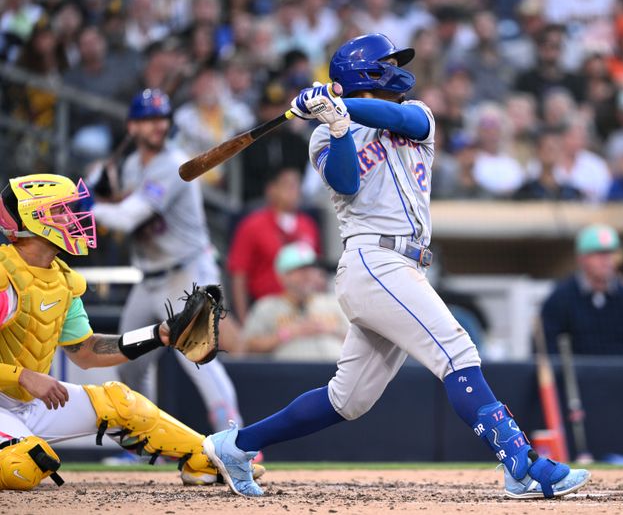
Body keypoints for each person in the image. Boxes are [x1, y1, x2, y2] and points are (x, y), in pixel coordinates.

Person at [203, 33, 590, 499]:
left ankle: (237, 445)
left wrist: (338, 105)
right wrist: (338, 124)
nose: (396, 68)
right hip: (372, 261)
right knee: (457, 351)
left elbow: (395, 116)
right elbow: (345, 182)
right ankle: (521, 464)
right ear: (364, 72)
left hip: (402, 266)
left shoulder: (418, 115)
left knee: (347, 400)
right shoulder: (323, 136)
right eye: (386, 62)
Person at [0, 173, 240, 489]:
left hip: (31, 404)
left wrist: (157, 335)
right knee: (24, 466)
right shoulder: (5, 275)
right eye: (62, 210)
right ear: (34, 216)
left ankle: (207, 458)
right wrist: (22, 376)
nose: (74, 218)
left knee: (121, 402)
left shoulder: (63, 280)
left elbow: (86, 352)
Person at [90, 89, 243, 434]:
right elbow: (126, 201)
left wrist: (89, 205)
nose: (157, 125)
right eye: (148, 119)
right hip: (150, 279)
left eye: (162, 118)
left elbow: (129, 218)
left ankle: (236, 439)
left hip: (187, 273)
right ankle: (144, 442)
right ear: (132, 127)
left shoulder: (175, 164)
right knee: (127, 362)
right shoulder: (130, 165)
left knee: (198, 359)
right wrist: (105, 189)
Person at [540, 224, 623, 356]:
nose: (607, 260)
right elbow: (546, 349)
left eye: (611, 254)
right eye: (599, 254)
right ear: (582, 258)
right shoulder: (562, 297)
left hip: (620, 374)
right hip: (576, 374)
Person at [227, 167, 321, 322]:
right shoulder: (251, 225)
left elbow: (317, 269)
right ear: (271, 190)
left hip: (307, 306)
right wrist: (244, 322)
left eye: (297, 185)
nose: (294, 191)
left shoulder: (308, 224)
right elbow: (238, 276)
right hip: (267, 307)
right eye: (288, 185)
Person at [240, 242, 347, 361]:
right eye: (301, 270)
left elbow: (361, 340)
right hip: (288, 375)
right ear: (283, 276)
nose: (308, 275)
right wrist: (288, 333)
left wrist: (330, 330)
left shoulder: (334, 302)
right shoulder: (267, 307)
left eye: (311, 269)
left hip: (336, 373)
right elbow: (248, 347)